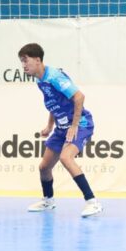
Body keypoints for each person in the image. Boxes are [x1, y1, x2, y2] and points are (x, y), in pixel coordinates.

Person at [19, 43, 103, 217]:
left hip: (80, 124)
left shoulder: (55, 77)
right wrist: (50, 125)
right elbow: (54, 103)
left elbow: (79, 97)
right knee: (44, 167)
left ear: (37, 60)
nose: (23, 65)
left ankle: (93, 202)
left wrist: (74, 126)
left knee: (66, 157)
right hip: (61, 127)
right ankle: (48, 201)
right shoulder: (39, 80)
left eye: (26, 60)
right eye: (22, 61)